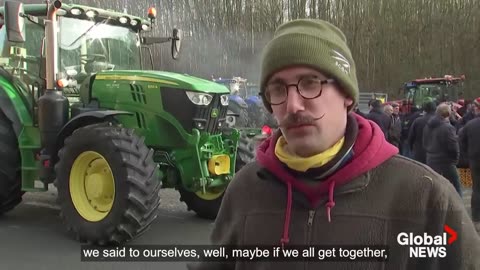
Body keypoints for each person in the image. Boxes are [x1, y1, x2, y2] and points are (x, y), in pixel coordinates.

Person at [187, 19, 480, 270]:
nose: (293, 105)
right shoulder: (244, 189)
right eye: (277, 89)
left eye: (310, 83)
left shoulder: (426, 197)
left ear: (347, 95)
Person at [422, 103, 462, 196]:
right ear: (448, 113)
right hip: (446, 162)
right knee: (456, 187)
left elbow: (424, 142)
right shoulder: (448, 128)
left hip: (431, 159)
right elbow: (453, 146)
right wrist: (455, 160)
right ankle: (458, 208)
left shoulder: (428, 126)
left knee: (435, 188)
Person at [458, 97, 480, 232]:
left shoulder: (470, 125)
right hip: (473, 159)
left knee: (477, 189)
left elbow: (461, 141)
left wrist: (467, 156)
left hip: (475, 160)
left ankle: (476, 218)